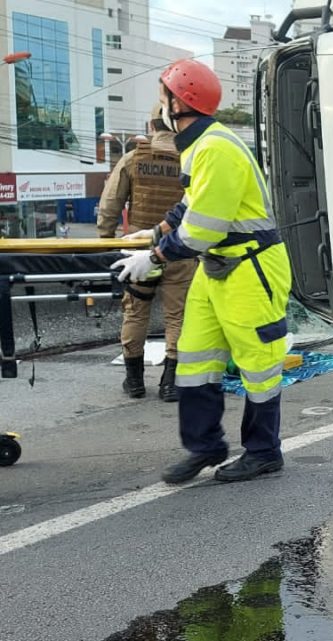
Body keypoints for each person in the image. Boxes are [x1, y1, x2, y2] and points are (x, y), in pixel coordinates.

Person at [112, 59, 292, 484]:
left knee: (259, 366)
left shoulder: (216, 148)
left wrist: (154, 258)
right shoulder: (198, 145)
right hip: (217, 270)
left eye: (164, 96)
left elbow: (203, 228)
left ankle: (265, 451)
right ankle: (204, 446)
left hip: (251, 268)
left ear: (179, 102)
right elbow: (189, 206)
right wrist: (153, 231)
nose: (160, 105)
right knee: (193, 359)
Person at [97, 104, 194, 402]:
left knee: (135, 311)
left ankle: (135, 381)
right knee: (177, 316)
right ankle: (170, 383)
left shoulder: (133, 158)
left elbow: (109, 206)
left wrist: (107, 241)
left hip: (139, 249)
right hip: (180, 248)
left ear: (151, 126)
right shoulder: (190, 160)